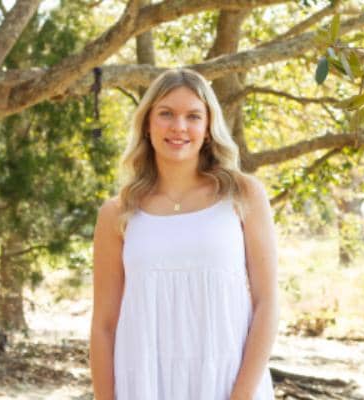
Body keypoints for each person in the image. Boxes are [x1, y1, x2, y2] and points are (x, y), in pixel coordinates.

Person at [90, 68, 279, 400]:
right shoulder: (117, 213)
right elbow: (104, 325)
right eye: (166, 114)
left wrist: (241, 396)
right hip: (145, 384)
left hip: (226, 382)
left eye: (193, 116)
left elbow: (268, 302)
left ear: (207, 129)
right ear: (147, 124)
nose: (179, 126)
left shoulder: (243, 194)